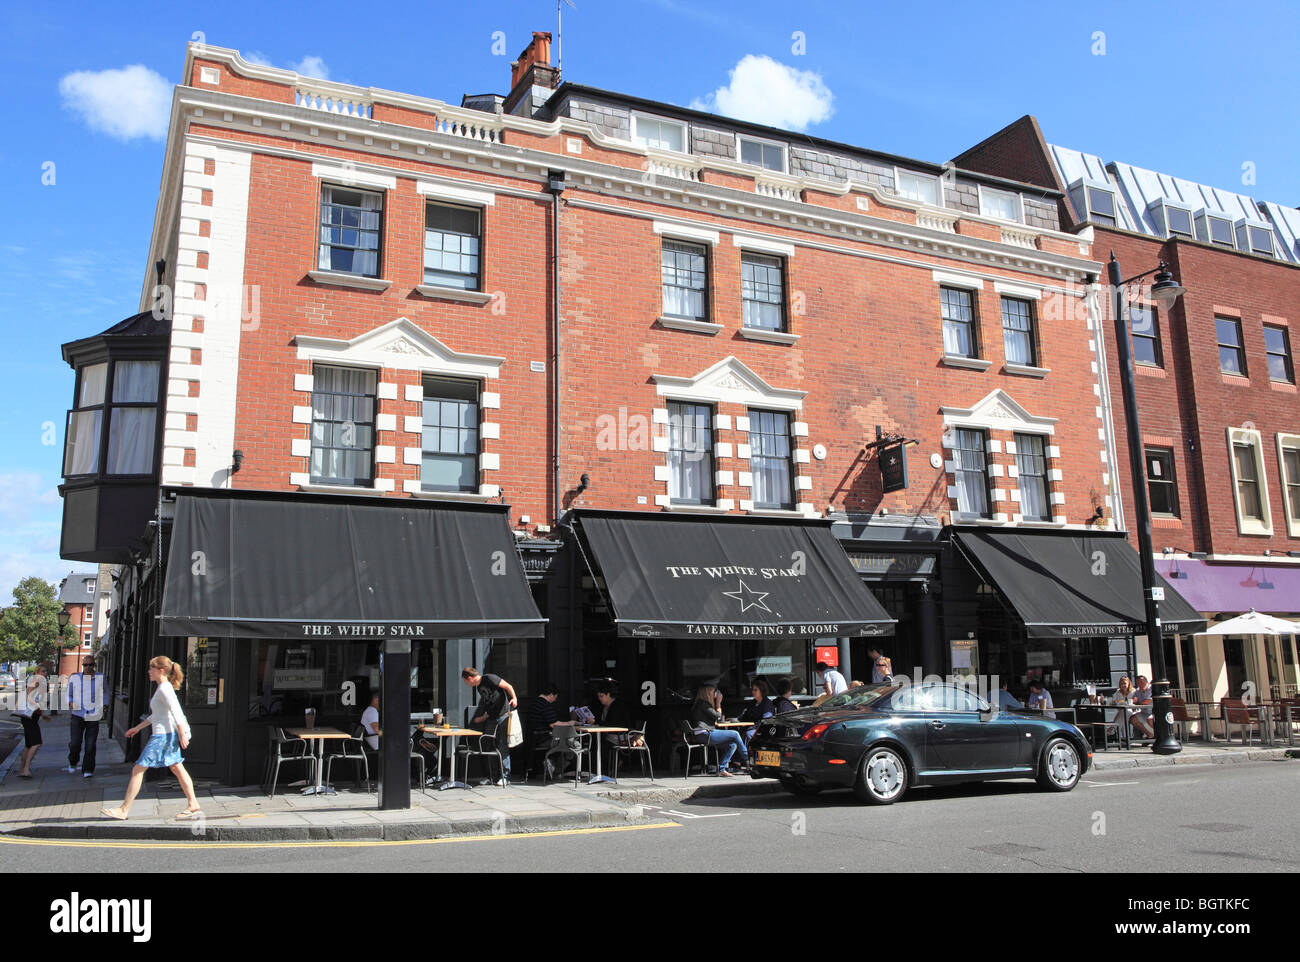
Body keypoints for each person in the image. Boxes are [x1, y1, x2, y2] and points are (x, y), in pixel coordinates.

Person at [101, 656, 202, 820]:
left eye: (151, 668)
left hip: (163, 736)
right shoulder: (162, 687)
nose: (149, 671)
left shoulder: (164, 689)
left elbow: (176, 711)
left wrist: (182, 734)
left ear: (160, 670)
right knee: (176, 768)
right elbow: (156, 715)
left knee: (138, 769)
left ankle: (124, 809)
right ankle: (193, 803)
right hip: (165, 734)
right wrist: (137, 728)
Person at [463, 667, 517, 784]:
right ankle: (492, 776)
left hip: (503, 715)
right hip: (491, 718)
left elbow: (508, 686)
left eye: (465, 681)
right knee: (488, 745)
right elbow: (488, 703)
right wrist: (483, 717)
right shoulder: (478, 688)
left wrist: (514, 698)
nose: (466, 684)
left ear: (470, 678)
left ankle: (505, 776)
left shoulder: (489, 678)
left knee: (502, 745)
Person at [688, 685, 747, 776]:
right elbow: (718, 716)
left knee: (732, 744)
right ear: (707, 693)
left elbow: (713, 718)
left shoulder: (701, 704)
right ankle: (747, 758)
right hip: (705, 734)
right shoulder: (703, 704)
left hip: (703, 734)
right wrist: (718, 703)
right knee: (735, 734)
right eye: (713, 692)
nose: (715, 694)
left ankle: (721, 769)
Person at [67, 655, 105, 778]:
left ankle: (88, 769)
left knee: (90, 744)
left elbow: (106, 693)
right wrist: (71, 703)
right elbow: (68, 695)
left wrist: (104, 706)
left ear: (94, 665)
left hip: (93, 715)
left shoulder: (101, 678)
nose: (88, 667)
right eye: (85, 665)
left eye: (90, 665)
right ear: (82, 665)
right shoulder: (75, 678)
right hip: (77, 715)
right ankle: (73, 761)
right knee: (75, 743)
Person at [14, 663, 51, 779]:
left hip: (30, 716)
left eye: (46, 671)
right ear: (37, 672)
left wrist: (41, 714)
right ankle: (26, 769)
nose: (45, 673)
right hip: (29, 716)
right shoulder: (36, 681)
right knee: (36, 743)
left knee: (29, 744)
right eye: (43, 671)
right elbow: (30, 697)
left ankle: (21, 769)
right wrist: (38, 708)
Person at [740, 679, 776, 744]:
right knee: (735, 734)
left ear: (762, 691)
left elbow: (766, 721)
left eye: (755, 690)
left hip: (760, 731)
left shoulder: (767, 704)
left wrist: (752, 727)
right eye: (753, 690)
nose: (753, 692)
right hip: (749, 728)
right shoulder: (752, 703)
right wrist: (736, 720)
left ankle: (746, 754)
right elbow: (746, 715)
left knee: (748, 734)